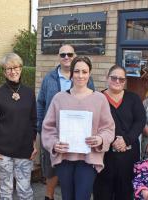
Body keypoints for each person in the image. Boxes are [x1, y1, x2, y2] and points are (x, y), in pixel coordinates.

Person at [41, 56, 115, 200]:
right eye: (77, 71)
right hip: (65, 158)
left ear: (89, 74)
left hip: (88, 159)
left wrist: (100, 139)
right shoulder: (59, 98)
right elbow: (48, 128)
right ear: (71, 73)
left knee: (82, 196)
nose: (80, 75)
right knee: (67, 197)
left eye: (84, 72)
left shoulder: (99, 99)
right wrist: (54, 144)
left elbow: (108, 128)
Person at [37, 44, 94, 200]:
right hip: (54, 133)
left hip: (79, 136)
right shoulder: (49, 78)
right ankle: (49, 196)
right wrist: (42, 129)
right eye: (63, 55)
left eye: (69, 54)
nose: (66, 57)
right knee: (51, 168)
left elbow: (92, 104)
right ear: (59, 57)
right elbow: (41, 103)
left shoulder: (86, 78)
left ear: (74, 55)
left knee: (72, 173)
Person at [0, 53, 37, 200]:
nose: (13, 71)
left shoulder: (29, 93)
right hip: (2, 150)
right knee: (6, 189)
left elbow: (33, 120)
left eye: (16, 67)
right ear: (4, 72)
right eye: (8, 68)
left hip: (24, 148)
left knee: (25, 189)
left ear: (21, 69)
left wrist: (34, 143)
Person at [93, 65, 146, 200]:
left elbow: (140, 121)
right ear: (107, 78)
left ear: (125, 81)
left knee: (125, 192)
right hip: (105, 154)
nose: (117, 81)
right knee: (102, 192)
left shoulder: (133, 98)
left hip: (129, 154)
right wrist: (110, 141)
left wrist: (126, 140)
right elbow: (93, 124)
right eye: (114, 78)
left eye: (121, 79)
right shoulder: (97, 98)